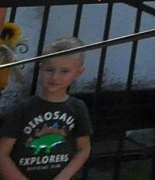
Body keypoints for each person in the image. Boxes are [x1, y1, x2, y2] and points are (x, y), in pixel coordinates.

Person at [0, 37, 92, 180]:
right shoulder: (23, 108)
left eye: (64, 71)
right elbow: (2, 153)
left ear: (78, 73)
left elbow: (84, 148)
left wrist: (65, 176)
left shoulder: (78, 108)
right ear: (40, 67)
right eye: (49, 69)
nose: (55, 76)